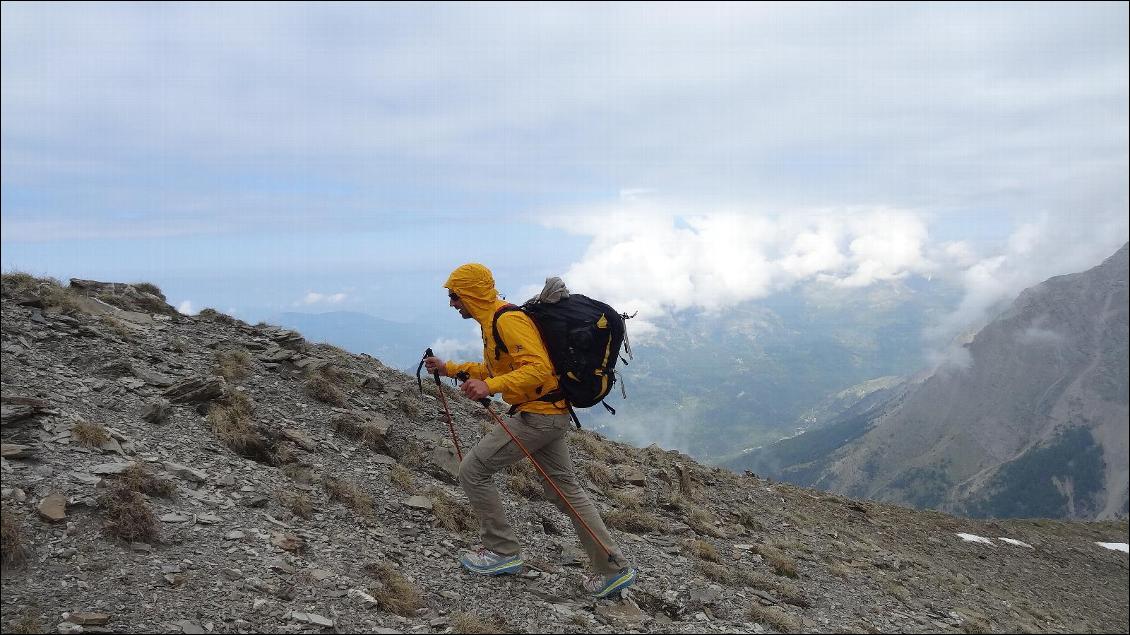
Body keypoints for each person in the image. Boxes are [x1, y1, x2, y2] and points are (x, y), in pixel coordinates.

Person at [423, 263, 637, 598]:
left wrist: (490, 386)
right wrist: (451, 368)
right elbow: (496, 367)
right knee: (565, 491)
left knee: (473, 470)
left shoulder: (507, 321)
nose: (452, 303)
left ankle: (501, 551)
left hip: (537, 418)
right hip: (548, 415)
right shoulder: (493, 321)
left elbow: (538, 369)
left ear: (471, 293)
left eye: (455, 295)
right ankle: (613, 569)